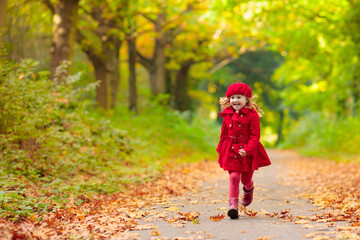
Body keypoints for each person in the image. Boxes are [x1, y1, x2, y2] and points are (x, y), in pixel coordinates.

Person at [216, 82, 271, 219]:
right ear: (229, 99)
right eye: (233, 97)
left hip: (247, 151)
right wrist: (221, 148)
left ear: (247, 99)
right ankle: (233, 206)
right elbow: (224, 133)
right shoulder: (227, 114)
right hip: (231, 149)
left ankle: (248, 189)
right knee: (234, 177)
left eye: (239, 97)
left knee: (245, 179)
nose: (235, 100)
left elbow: (255, 136)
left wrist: (248, 150)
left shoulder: (252, 115)